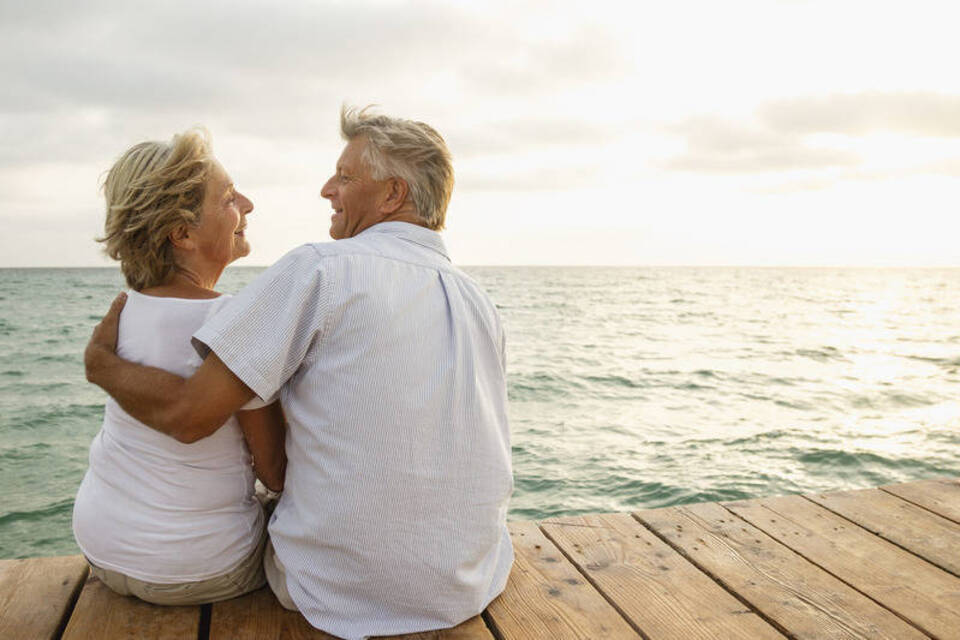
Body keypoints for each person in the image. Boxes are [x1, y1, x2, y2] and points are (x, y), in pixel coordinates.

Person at [84, 107, 513, 639]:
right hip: (467, 582)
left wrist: (100, 364)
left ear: (393, 194)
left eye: (345, 176)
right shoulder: (479, 300)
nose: (326, 189)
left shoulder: (320, 269)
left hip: (332, 594)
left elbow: (191, 414)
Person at [73, 130, 287, 606]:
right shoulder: (235, 319)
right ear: (182, 234)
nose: (247, 205)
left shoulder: (124, 311)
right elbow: (274, 471)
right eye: (230, 197)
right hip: (202, 569)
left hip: (102, 549)